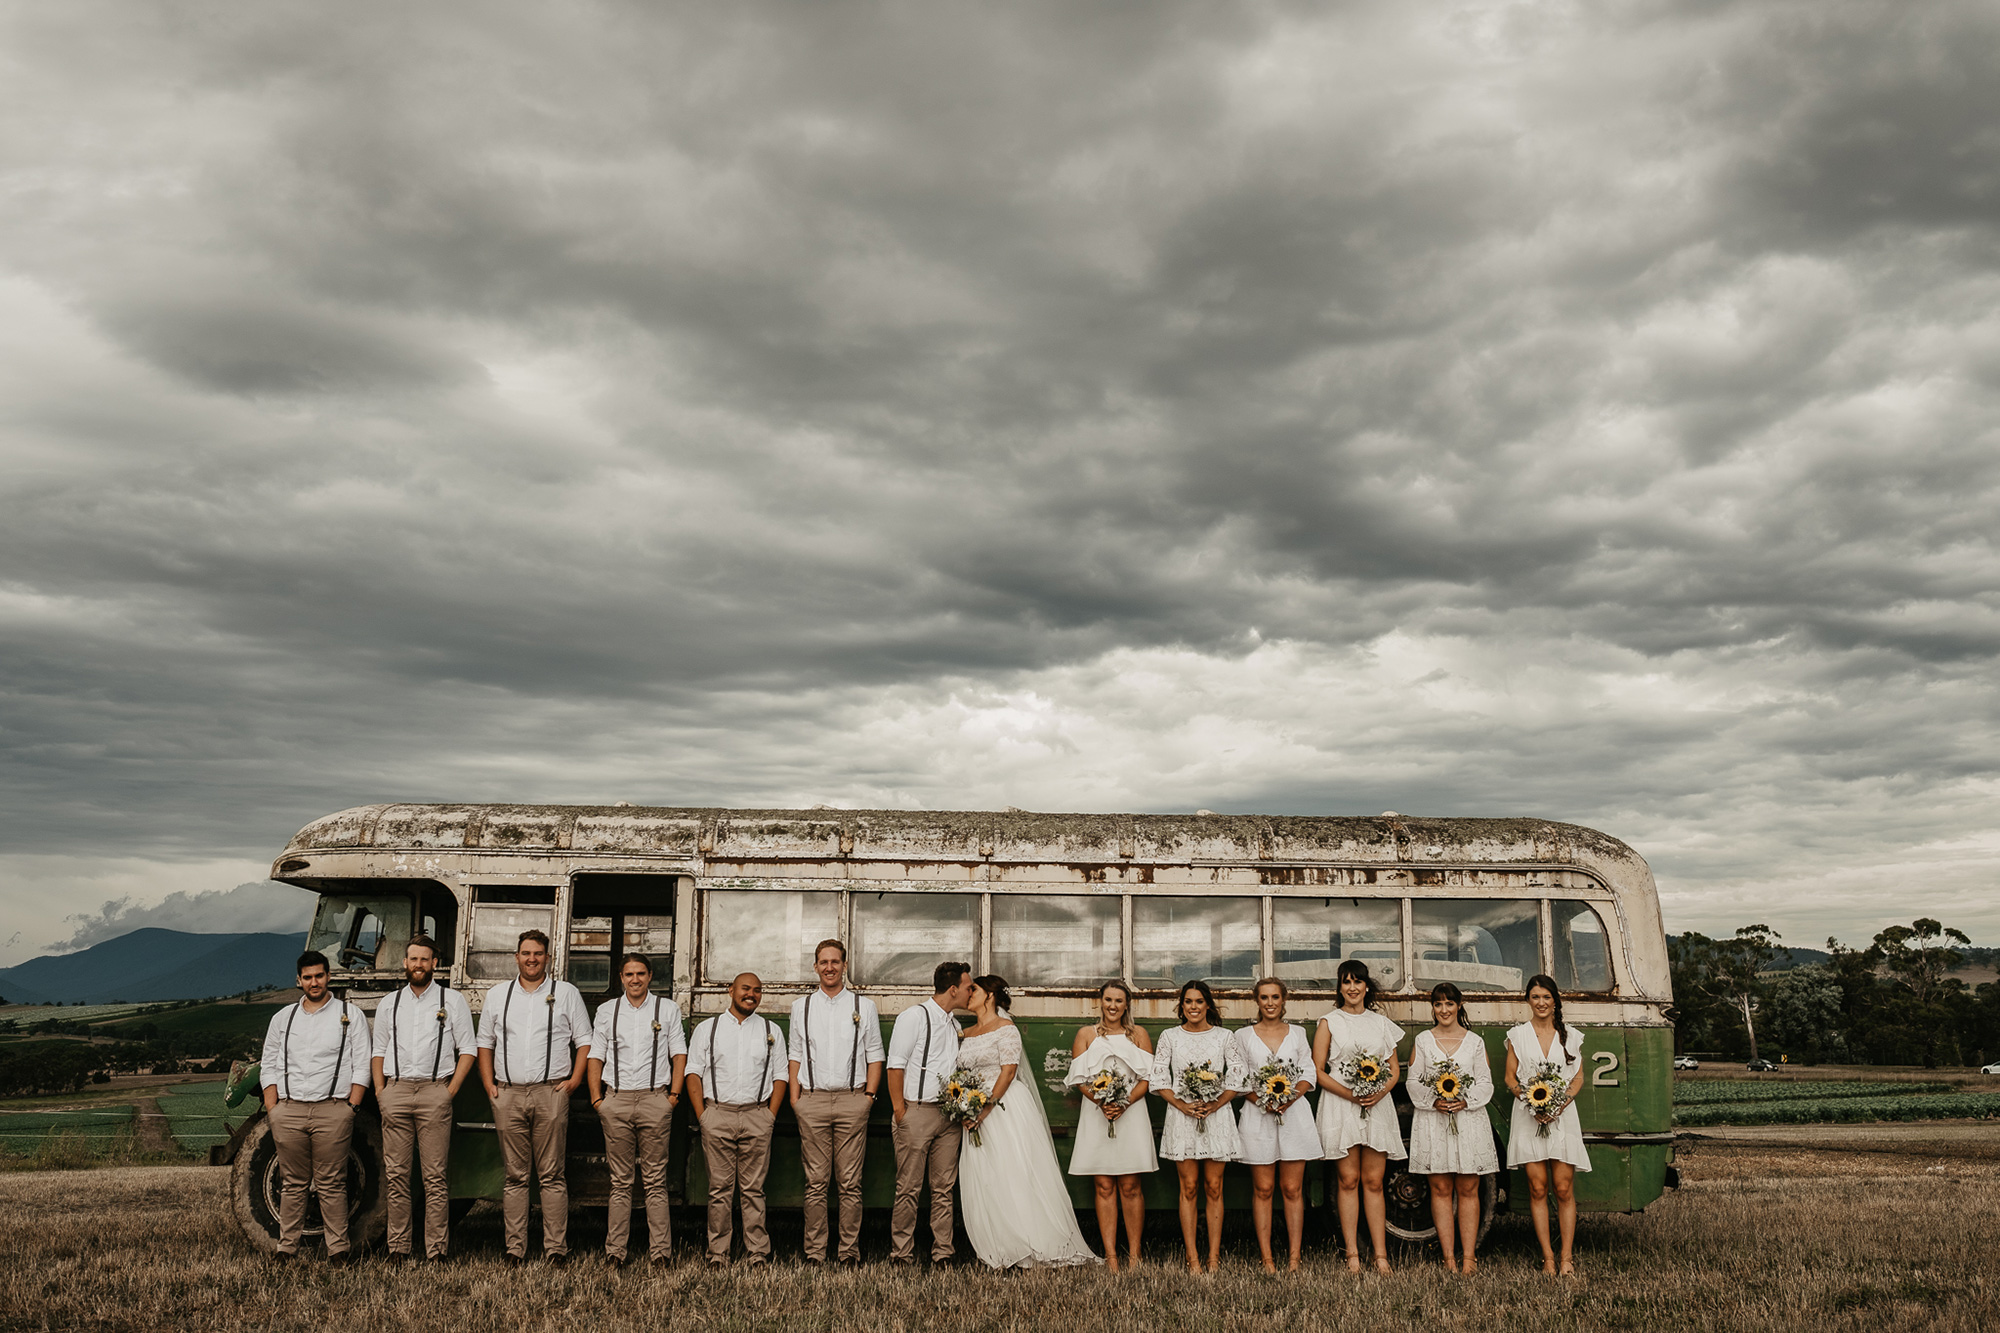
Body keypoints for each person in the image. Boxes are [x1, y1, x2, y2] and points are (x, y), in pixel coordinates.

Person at [956, 974, 1099, 1269]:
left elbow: (1008, 1072)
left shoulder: (1006, 1029)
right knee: (987, 1176)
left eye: (975, 990)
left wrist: (985, 1108)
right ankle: (996, 1245)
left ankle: (1031, 1240)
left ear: (990, 995)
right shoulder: (965, 1033)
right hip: (973, 1110)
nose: (968, 994)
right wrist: (965, 1107)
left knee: (1015, 1172)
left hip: (1004, 1108)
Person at [477, 928, 593, 1265]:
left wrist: (573, 1081)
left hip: (550, 1092)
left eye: (538, 954)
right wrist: (489, 1086)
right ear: (516, 957)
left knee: (552, 1174)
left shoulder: (566, 993)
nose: (531, 959)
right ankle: (515, 1249)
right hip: (508, 1094)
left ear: (547, 957)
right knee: (515, 1176)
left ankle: (556, 1249)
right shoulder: (498, 995)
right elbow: (485, 1042)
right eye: (526, 953)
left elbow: (585, 1040)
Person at [259, 950, 371, 1263]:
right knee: (292, 1182)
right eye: (307, 977)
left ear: (329, 977)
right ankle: (286, 1249)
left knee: (332, 1182)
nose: (314, 982)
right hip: (289, 1110)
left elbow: (362, 1062)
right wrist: (273, 1107)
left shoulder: (350, 1015)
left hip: (333, 1109)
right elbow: (268, 1063)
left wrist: (352, 1106)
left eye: (319, 976)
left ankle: (338, 1250)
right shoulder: (282, 1019)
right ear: (298, 981)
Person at [369, 934, 475, 1263]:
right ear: (405, 963)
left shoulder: (451, 1000)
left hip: (434, 1092)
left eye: (425, 959)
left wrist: (449, 1092)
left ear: (434, 964)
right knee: (398, 1174)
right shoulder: (391, 1003)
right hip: (396, 1091)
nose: (418, 965)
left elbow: (468, 1049)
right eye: (413, 959)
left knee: (435, 1176)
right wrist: (380, 1092)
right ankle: (398, 1248)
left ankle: (436, 1249)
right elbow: (378, 1050)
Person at [786, 939, 884, 1265]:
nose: (829, 967)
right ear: (815, 967)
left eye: (835, 962)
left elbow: (875, 1056)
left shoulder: (863, 1006)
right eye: (823, 962)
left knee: (850, 1184)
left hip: (852, 1100)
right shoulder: (802, 1007)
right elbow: (795, 1055)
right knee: (815, 1183)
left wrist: (868, 1097)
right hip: (811, 1101)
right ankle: (815, 1253)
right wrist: (795, 1099)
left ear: (844, 966)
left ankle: (848, 1252)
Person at [587, 953, 687, 1267]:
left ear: (650, 976)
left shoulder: (667, 1009)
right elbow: (595, 1056)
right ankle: (615, 1252)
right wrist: (597, 1100)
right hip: (615, 1100)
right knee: (620, 1181)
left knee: (656, 1180)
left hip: (654, 1099)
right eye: (629, 974)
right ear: (621, 976)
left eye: (640, 973)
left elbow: (679, 1054)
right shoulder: (606, 1011)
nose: (635, 980)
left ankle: (661, 1254)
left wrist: (673, 1095)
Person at [1312, 958, 1407, 1273]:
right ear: (1340, 988)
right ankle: (1352, 1254)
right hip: (1343, 1104)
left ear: (1367, 986)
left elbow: (1393, 1070)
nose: (1352, 988)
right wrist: (1351, 1094)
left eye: (1357, 981)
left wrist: (1380, 1093)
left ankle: (1380, 1255)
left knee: (1373, 1181)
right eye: (1346, 982)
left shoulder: (1381, 1024)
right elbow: (1317, 1070)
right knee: (1348, 1179)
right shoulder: (1329, 1021)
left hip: (1377, 1105)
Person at [686, 973, 787, 1267]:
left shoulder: (771, 1030)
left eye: (757, 990)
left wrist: (770, 1115)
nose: (751, 994)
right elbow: (693, 1071)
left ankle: (758, 1252)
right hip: (718, 1114)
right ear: (731, 990)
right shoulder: (709, 1029)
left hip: (758, 1115)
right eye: (745, 989)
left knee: (754, 1189)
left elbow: (781, 1074)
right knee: (719, 1189)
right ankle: (718, 1253)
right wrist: (703, 1115)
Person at [886, 960, 974, 1265]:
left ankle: (943, 1252)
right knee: (908, 1187)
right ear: (953, 989)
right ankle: (901, 1253)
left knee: (944, 1188)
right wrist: (901, 1112)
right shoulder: (914, 1017)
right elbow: (895, 1065)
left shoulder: (954, 1024)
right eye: (968, 987)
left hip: (948, 1116)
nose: (971, 992)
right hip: (917, 1112)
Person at [1065, 979, 1157, 1271]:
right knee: (1104, 1185)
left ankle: (1134, 1254)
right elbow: (1079, 1079)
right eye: (1108, 1000)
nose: (1113, 1006)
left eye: (1119, 1001)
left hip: (1131, 1111)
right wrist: (1102, 1101)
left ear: (1126, 1004)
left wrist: (1124, 1101)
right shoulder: (1086, 1035)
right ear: (1100, 1002)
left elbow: (1147, 1078)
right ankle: (1111, 1256)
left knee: (1131, 1185)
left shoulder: (1138, 1035)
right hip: (1097, 1112)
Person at [1407, 981, 1498, 1274]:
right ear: (1432, 1008)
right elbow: (1413, 1080)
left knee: (1469, 1187)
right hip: (1434, 1120)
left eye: (1449, 1003)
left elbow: (1485, 1082)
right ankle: (1448, 1257)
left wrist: (1465, 1100)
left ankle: (1469, 1257)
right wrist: (1432, 1100)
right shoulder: (1423, 1041)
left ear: (1459, 1006)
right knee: (1440, 1187)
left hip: (1467, 1120)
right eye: (1438, 1004)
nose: (1444, 1010)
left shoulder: (1475, 1042)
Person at [1151, 977, 1241, 1274]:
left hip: (1216, 1116)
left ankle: (1213, 1258)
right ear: (1181, 1005)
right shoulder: (1169, 1037)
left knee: (1214, 1187)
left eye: (1199, 1001)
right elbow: (1159, 1079)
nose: (1193, 1007)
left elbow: (1237, 1077)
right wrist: (1183, 1105)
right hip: (1182, 1116)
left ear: (1208, 1005)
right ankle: (1192, 1259)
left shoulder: (1225, 1037)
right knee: (1188, 1187)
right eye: (1188, 1001)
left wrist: (1215, 1103)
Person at [1504, 973, 1591, 1276]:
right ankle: (1548, 1258)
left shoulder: (1571, 1036)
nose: (1541, 1003)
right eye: (1535, 997)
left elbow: (1578, 1078)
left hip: (1562, 1117)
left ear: (1555, 1001)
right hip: (1528, 1117)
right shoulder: (1517, 1035)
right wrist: (1531, 1102)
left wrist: (1558, 1104)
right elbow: (1510, 1078)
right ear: (1527, 1000)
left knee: (1563, 1188)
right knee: (1538, 1188)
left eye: (1546, 997)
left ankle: (1566, 1257)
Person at [1233, 977, 1320, 1273]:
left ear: (1284, 1001)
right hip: (1258, 1115)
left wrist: (1290, 1098)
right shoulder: (1243, 1036)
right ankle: (1267, 1258)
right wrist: (1263, 1100)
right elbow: (1239, 1078)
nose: (1270, 1003)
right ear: (1256, 1001)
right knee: (1264, 1188)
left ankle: (1294, 1257)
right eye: (1264, 998)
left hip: (1294, 1115)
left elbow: (1309, 1072)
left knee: (1293, 1188)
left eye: (1275, 997)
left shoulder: (1297, 1033)